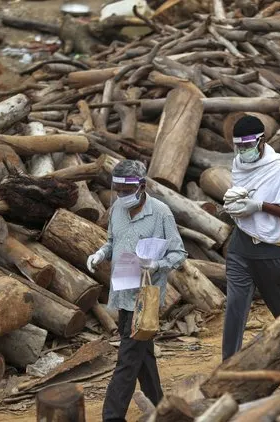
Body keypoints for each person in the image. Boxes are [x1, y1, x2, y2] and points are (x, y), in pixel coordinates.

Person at [86, 160, 187, 422]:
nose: (121, 195)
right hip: (122, 292)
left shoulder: (162, 213)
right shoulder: (118, 208)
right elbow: (112, 241)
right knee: (143, 355)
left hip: (145, 298)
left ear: (141, 187)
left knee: (127, 360)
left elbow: (179, 253)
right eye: (117, 190)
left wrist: (158, 264)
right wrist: (100, 254)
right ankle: (162, 405)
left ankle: (112, 416)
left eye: (125, 190)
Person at [221, 115, 280, 361]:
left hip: (270, 248)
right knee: (234, 306)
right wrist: (234, 205)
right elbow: (240, 194)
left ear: (261, 141)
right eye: (238, 146)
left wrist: (260, 206)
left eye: (247, 146)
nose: (243, 151)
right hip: (240, 245)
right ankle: (228, 363)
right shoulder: (239, 163)